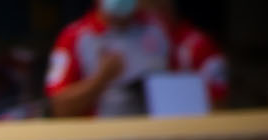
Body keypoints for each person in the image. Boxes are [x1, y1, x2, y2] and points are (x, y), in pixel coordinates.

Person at [46, 0, 229, 118]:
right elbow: (59, 107)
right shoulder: (75, 37)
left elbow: (195, 94)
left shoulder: (158, 29)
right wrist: (101, 80)